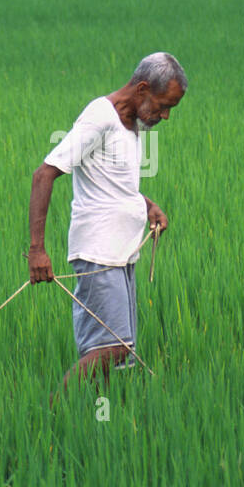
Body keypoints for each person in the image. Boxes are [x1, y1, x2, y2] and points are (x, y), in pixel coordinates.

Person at [27, 52, 187, 387]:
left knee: (120, 353)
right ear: (142, 89)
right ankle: (55, 416)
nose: (166, 116)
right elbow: (43, 175)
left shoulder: (132, 124)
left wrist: (148, 206)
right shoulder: (100, 117)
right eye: (163, 105)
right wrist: (37, 251)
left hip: (122, 253)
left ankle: (97, 423)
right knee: (112, 347)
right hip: (98, 254)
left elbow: (115, 183)